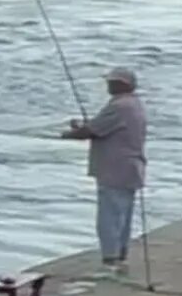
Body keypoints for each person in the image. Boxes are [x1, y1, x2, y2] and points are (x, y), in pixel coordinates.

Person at [63, 68, 150, 278]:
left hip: (114, 169)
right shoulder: (134, 104)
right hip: (130, 168)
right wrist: (85, 126)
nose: (108, 85)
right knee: (123, 215)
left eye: (111, 82)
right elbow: (103, 127)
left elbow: (92, 131)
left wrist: (69, 134)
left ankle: (110, 260)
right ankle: (119, 256)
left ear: (122, 84)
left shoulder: (119, 106)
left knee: (109, 216)